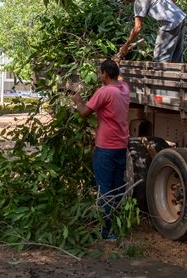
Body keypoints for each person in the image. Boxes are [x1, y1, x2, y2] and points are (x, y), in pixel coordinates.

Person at [71, 59, 130, 239]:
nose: (98, 75)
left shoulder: (104, 92)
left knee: (105, 188)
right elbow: (119, 77)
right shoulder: (125, 89)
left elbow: (84, 113)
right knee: (117, 186)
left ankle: (106, 231)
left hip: (106, 147)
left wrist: (77, 100)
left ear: (104, 73)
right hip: (121, 145)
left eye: (100, 72)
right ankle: (116, 226)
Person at [115, 0, 187, 63]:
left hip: (169, 23)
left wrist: (126, 45)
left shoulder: (139, 0)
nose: (126, 0)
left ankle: (160, 75)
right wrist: (171, 8)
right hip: (180, 17)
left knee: (160, 59)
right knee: (176, 57)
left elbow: (138, 27)